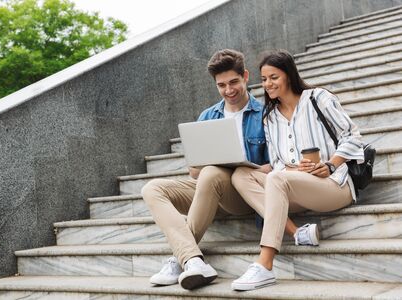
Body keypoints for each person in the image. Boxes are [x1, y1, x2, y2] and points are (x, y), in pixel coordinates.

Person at [230, 49, 364, 291]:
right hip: (296, 186)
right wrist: (290, 169)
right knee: (241, 175)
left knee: (277, 179)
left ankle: (265, 264)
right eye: (264, 79)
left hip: (335, 184)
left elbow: (353, 137)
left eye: (274, 77)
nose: (268, 84)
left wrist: (330, 163)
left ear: (289, 76)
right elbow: (278, 162)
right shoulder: (269, 118)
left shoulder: (318, 99)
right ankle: (297, 233)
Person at [141, 49, 270, 290]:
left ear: (246, 76)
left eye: (234, 82)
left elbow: (276, 165)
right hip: (207, 190)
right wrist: (212, 164)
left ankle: (178, 258)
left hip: (242, 194)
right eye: (221, 85)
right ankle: (191, 259)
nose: (229, 90)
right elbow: (193, 171)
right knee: (152, 188)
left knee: (212, 173)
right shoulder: (207, 116)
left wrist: (243, 169)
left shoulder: (264, 114)